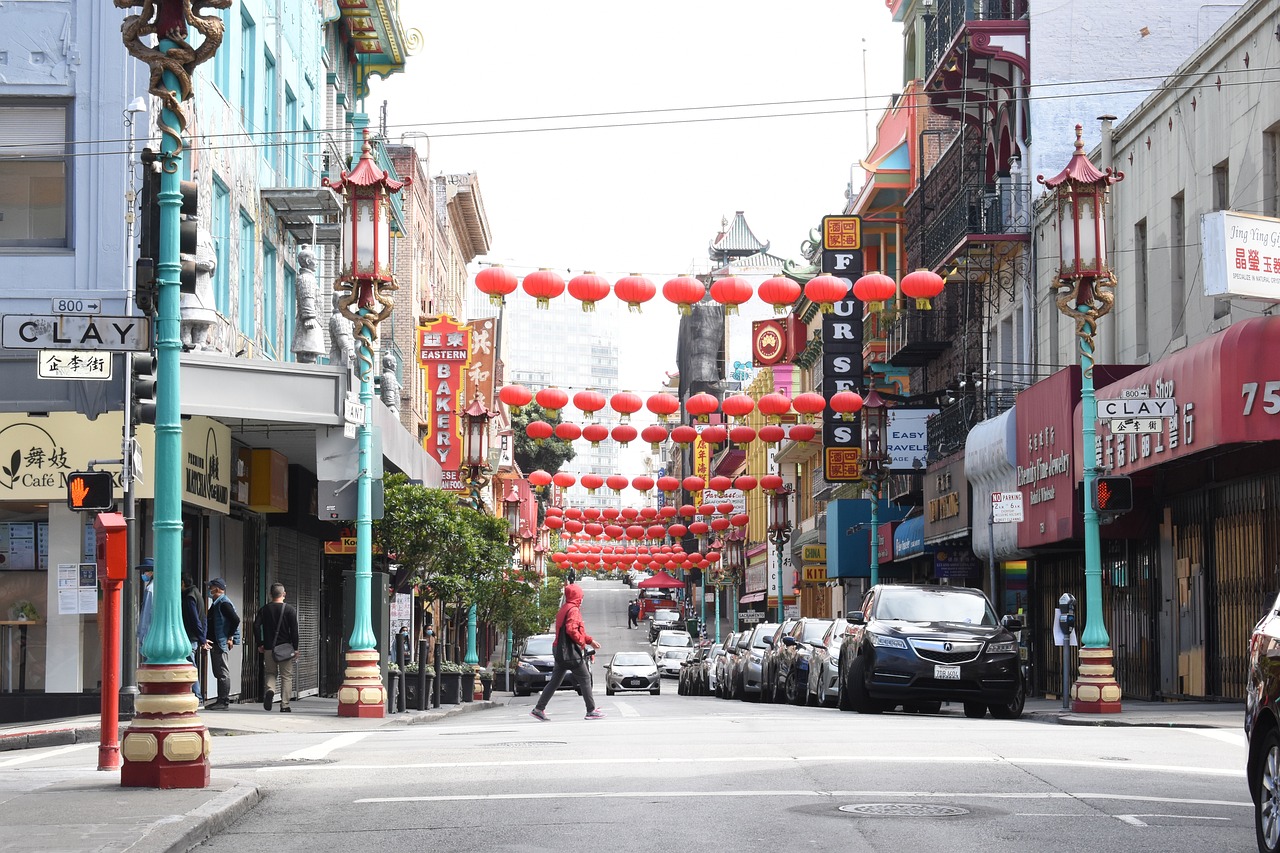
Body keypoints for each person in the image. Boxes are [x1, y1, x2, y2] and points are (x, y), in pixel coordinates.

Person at [531, 583, 604, 721]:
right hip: (569, 651)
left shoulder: (564, 609)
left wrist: (589, 640)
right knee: (585, 678)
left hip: (559, 649)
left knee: (555, 681)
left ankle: (539, 708)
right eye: (581, 596)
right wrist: (583, 642)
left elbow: (571, 630)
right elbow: (572, 630)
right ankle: (591, 710)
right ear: (577, 597)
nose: (582, 599)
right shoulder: (574, 610)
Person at [255, 582, 299, 713]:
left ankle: (270, 690)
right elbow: (294, 630)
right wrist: (295, 648)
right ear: (284, 594)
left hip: (269, 648)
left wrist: (260, 643)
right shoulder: (290, 609)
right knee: (286, 676)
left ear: (270, 595)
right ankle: (284, 705)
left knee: (270, 673)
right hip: (285, 650)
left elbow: (256, 626)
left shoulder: (264, 609)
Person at [204, 578, 241, 710]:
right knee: (218, 671)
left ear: (218, 588)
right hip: (216, 641)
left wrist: (230, 637)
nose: (209, 589)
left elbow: (235, 620)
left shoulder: (224, 603)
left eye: (211, 587)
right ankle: (221, 699)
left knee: (222, 672)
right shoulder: (216, 603)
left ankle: (223, 701)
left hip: (220, 641)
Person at [181, 575, 206, 699]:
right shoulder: (196, 593)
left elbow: (195, 619)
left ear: (182, 582)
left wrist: (202, 639)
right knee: (191, 665)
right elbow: (202, 618)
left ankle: (197, 695)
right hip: (194, 637)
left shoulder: (189, 597)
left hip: (190, 637)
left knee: (190, 666)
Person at [136, 559, 155, 662]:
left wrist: (142, 635)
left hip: (149, 636)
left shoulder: (150, 589)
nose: (144, 574)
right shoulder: (157, 587)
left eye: (146, 571)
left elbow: (146, 615)